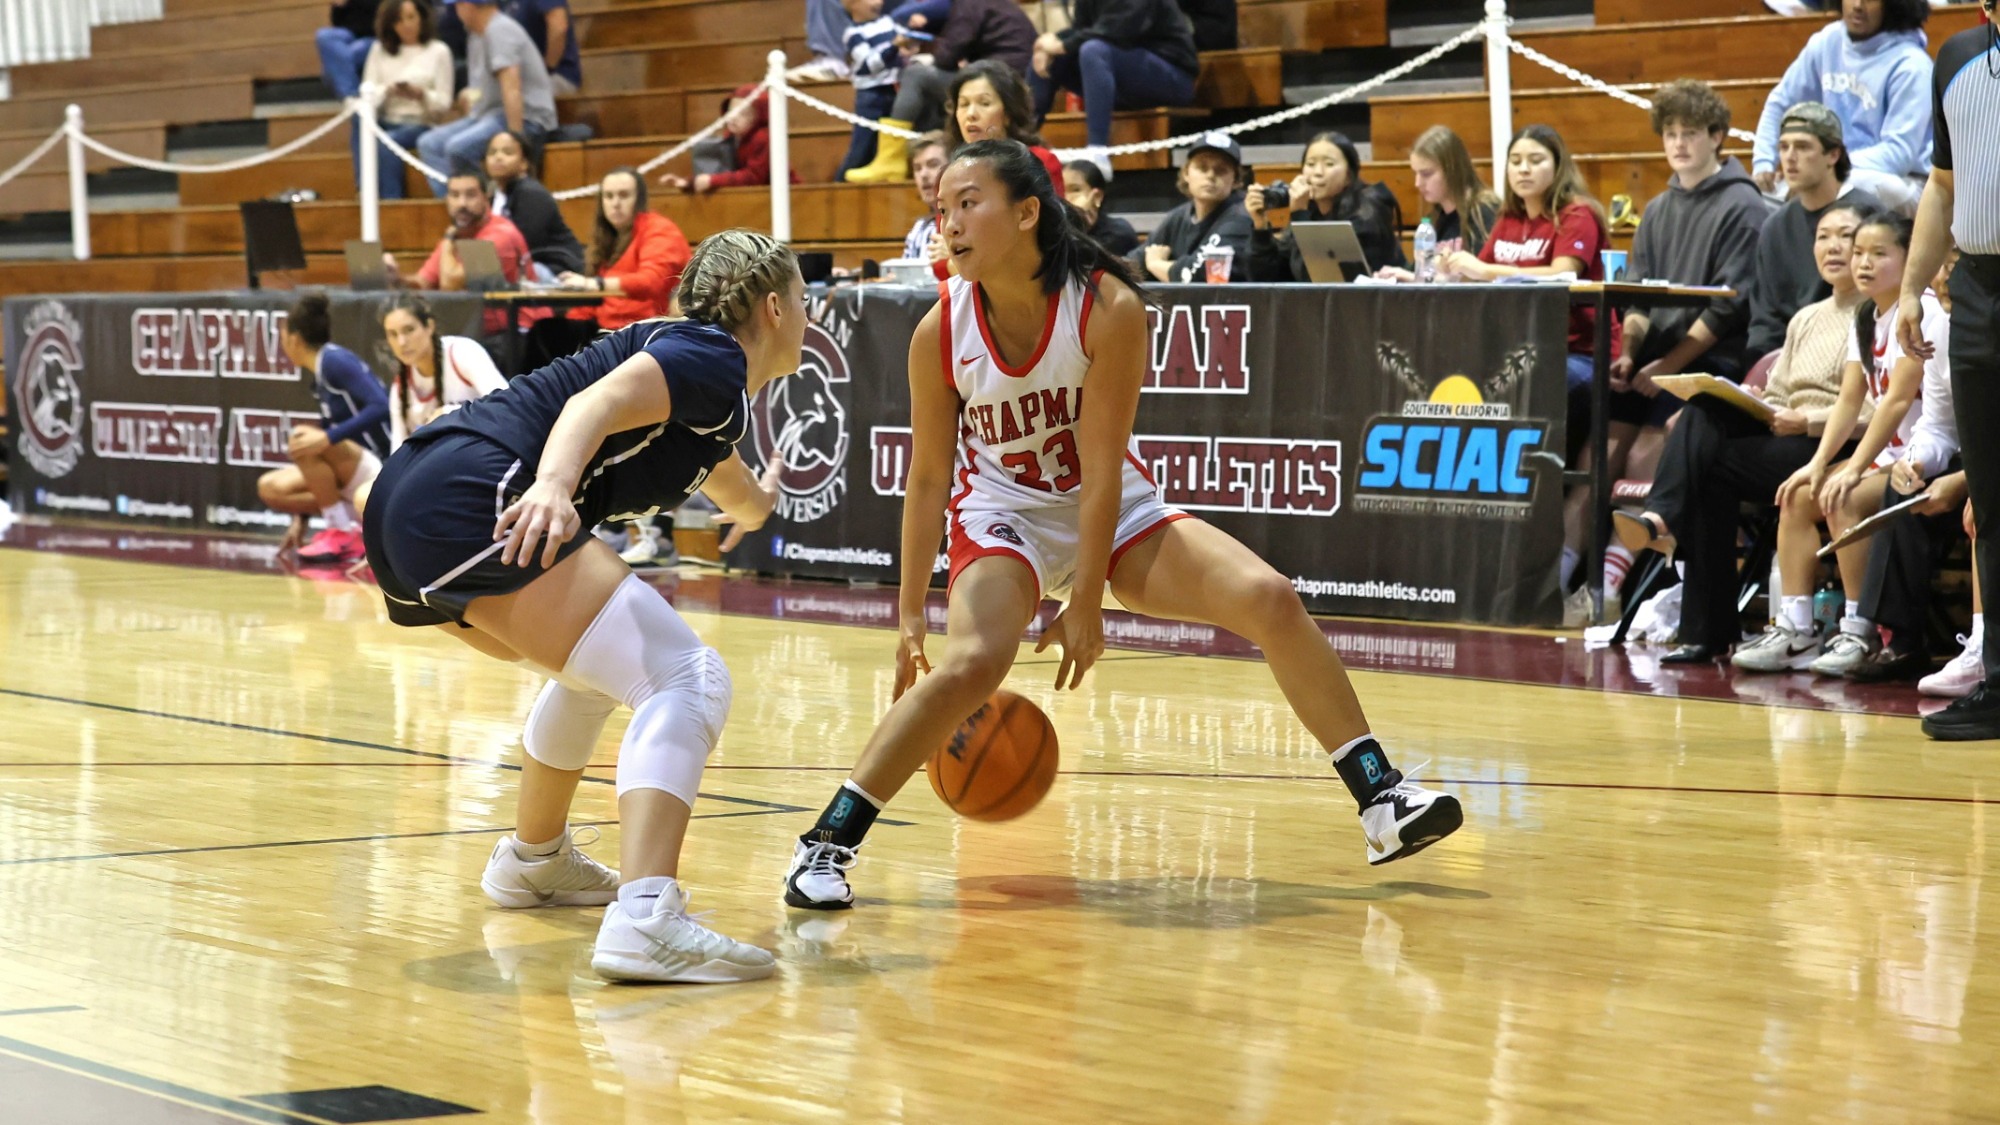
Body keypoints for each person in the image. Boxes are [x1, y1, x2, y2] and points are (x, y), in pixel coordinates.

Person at [780, 139, 1463, 911]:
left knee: (1270, 597)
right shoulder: (939, 329)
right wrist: (909, 613)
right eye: (943, 210)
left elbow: (1103, 469)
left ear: (1027, 212)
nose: (951, 224)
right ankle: (825, 843)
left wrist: (1086, 603)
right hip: (1003, 512)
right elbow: (930, 476)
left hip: (1113, 504)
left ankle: (1381, 798)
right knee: (972, 660)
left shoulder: (1107, 307)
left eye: (969, 204)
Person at [360, 229, 808, 983]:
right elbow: (593, 405)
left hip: (413, 498)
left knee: (597, 672)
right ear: (773, 306)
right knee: (688, 676)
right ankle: (648, 917)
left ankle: (535, 860)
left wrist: (761, 501)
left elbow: (734, 488)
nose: (807, 311)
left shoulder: (704, 393)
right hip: (476, 489)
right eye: (802, 297)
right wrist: (553, 485)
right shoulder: (711, 354)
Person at [1614, 204, 1874, 663]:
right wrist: (1755, 399)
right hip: (1784, 432)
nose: (1833, 247)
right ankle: (1704, 622)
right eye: (1823, 237)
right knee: (1705, 411)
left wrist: (1808, 421)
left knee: (1707, 468)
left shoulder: (1875, 316)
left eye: (1845, 236)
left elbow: (1878, 406)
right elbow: (1780, 391)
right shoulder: (1806, 317)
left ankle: (1664, 522)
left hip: (1836, 444)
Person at [1732, 212, 1945, 674]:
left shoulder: (1922, 312)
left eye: (1879, 253)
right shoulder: (1865, 315)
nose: (1863, 263)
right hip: (1887, 454)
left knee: (1842, 497)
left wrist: (1852, 468)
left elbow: (1895, 402)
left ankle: (1859, 630)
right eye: (1859, 253)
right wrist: (1818, 462)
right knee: (1798, 496)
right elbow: (1849, 400)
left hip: (1927, 455)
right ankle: (1795, 629)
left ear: (1911, 259)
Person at [1440, 124, 1616, 620]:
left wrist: (1482, 270)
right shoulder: (1509, 220)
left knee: (1529, 393)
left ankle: (1539, 561)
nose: (1523, 169)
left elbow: (1563, 272)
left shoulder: (1577, 214)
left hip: (1579, 353)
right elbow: (1478, 274)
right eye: (1516, 160)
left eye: (1535, 160)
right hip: (1518, 352)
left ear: (1557, 166)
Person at [1901, 0, 2000, 738]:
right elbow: (1943, 184)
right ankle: (1998, 679)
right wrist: (1911, 286)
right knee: (1991, 501)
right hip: (1979, 289)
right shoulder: (1958, 56)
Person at [1610, 80, 1772, 484]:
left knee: (1642, 459)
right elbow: (1636, 297)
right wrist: (1629, 354)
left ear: (1716, 137)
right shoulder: (1656, 209)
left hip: (1711, 360)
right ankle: (1580, 531)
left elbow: (1727, 308)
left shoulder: (1744, 205)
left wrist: (1667, 367)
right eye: (1670, 134)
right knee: (1601, 449)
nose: (1678, 144)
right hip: (1654, 357)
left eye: (1690, 133)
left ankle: (1639, 528)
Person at [1752, 0, 1935, 214]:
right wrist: (1763, 163)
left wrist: (1828, 167)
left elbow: (1898, 154)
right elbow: (1780, 103)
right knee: (1756, 198)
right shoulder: (1828, 41)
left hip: (1904, 181)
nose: (1857, 5)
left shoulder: (1912, 65)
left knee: (1864, 184)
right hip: (1831, 169)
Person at [259, 292, 392, 566]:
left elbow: (381, 404)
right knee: (270, 487)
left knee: (303, 438)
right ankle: (346, 525)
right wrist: (301, 518)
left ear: (295, 339)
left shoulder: (334, 361)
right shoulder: (322, 370)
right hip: (353, 471)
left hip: (381, 464)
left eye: (283, 338)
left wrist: (328, 437)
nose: (283, 346)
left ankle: (342, 532)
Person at [1747, 103, 1883, 359]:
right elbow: (1765, 318)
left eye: (1802, 146)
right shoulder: (1775, 227)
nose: (1789, 157)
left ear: (1833, 155)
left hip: (1854, 348)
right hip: (1788, 355)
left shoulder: (1869, 215)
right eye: (1784, 147)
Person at [528, 168, 692, 374]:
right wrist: (575, 317)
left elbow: (651, 282)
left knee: (546, 337)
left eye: (624, 195)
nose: (615, 203)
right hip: (606, 326)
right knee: (546, 331)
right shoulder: (608, 237)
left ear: (639, 200)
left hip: (642, 330)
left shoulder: (659, 230)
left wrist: (595, 284)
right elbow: (594, 304)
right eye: (609, 196)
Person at [860, 0, 1035, 169]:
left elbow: (947, 56)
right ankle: (925, 159)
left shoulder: (968, 4)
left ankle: (891, 159)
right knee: (927, 89)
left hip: (1002, 80)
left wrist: (926, 45)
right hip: (1012, 75)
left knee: (916, 75)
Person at [1029, 0, 1199, 170]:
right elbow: (1082, 30)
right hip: (1124, 70)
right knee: (1045, 59)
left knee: (1093, 50)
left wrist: (1061, 45)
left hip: (1172, 76)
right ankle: (1023, 143)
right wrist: (1049, 44)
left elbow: (1120, 30)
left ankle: (1097, 153)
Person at [416, 0, 559, 199]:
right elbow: (483, 88)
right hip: (489, 115)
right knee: (429, 143)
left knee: (458, 149)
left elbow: (512, 89)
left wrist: (515, 140)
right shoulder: (476, 35)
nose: (456, 12)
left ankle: (486, 207)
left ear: (468, 6)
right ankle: (456, 205)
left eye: (457, 6)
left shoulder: (500, 30)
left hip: (525, 117)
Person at [386, 168, 534, 337]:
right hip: (475, 331)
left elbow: (450, 284)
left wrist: (449, 238)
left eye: (471, 195)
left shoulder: (500, 235)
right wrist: (397, 279)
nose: (462, 204)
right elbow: (423, 284)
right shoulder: (459, 234)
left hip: (516, 332)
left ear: (487, 197)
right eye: (455, 195)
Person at [1247, 131, 1406, 282]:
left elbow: (1317, 279)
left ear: (1349, 175)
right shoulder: (1310, 209)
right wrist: (1261, 227)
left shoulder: (1366, 212)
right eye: (1310, 164)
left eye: (1329, 164)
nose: (1318, 172)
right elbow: (1268, 278)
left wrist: (1299, 215)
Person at [381, 293, 509, 450]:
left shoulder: (462, 352)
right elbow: (398, 449)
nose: (401, 342)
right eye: (392, 334)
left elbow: (506, 404)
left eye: (409, 330)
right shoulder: (400, 387)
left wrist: (448, 412)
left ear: (429, 326)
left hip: (491, 450)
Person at [356, 0, 453, 202]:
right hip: (384, 118)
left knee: (387, 142)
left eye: (411, 17)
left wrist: (422, 95)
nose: (406, 25)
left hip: (419, 123)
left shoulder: (439, 51)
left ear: (421, 18)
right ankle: (363, 188)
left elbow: (444, 103)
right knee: (359, 120)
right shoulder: (379, 50)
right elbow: (367, 94)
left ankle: (392, 202)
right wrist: (388, 90)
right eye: (398, 20)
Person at [1137, 132, 1252, 283]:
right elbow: (1137, 259)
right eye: (1202, 168)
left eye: (1221, 170)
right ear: (1186, 173)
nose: (1210, 175)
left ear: (1236, 180)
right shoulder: (1178, 217)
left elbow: (1200, 276)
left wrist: (1155, 264)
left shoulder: (1241, 218)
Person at [1383, 125, 1497, 271]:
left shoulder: (1484, 211)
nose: (1418, 183)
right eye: (1415, 174)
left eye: (1426, 174)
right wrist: (1402, 276)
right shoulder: (1434, 219)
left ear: (1452, 169)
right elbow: (1422, 272)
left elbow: (1482, 274)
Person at [484, 129, 585, 277]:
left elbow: (520, 245)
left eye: (507, 152)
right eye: (492, 153)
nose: (498, 157)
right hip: (522, 266)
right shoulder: (493, 196)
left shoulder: (531, 193)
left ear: (524, 163)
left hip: (556, 269)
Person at [660, 86, 796, 194]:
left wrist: (711, 181)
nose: (733, 117)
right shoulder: (731, 136)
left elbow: (753, 177)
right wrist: (689, 183)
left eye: (743, 114)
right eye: (731, 111)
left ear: (759, 117)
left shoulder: (763, 138)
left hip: (785, 197)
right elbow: (720, 171)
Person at [945, 60, 1064, 183]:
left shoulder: (1040, 164)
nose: (970, 114)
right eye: (964, 104)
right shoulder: (951, 171)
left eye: (984, 103)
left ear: (1008, 113)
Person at [836, 0, 904, 181]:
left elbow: (903, 39)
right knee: (862, 147)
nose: (878, 2)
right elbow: (869, 64)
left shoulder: (887, 22)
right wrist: (894, 47)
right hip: (871, 95)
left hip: (893, 90)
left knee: (881, 149)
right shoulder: (853, 33)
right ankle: (839, 185)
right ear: (853, 4)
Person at [1063, 159, 1140, 255]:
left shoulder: (1118, 233)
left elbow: (1083, 259)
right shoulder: (1059, 231)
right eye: (1061, 189)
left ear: (1097, 196)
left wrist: (1078, 219)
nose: (1065, 197)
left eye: (1075, 190)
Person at [505, 0, 581, 95]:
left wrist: (547, 68)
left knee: (511, 96)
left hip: (555, 74)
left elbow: (559, 27)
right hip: (516, 75)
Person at [317, 0, 381, 102]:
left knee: (346, 55)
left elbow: (380, 16)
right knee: (324, 36)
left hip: (373, 36)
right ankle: (351, 98)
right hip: (350, 33)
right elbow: (337, 23)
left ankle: (351, 96)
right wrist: (338, 6)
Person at [901, 133, 950, 260]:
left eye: (933, 165)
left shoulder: (972, 224)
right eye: (917, 168)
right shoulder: (919, 229)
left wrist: (955, 258)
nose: (923, 174)